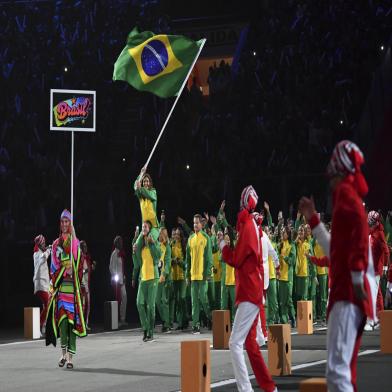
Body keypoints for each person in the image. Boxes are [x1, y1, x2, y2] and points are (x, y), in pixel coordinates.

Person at [299, 140, 376, 392]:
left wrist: (354, 276)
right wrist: (313, 221)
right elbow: (337, 249)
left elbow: (356, 237)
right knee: (342, 371)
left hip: (347, 293)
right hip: (348, 291)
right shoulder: (349, 197)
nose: (328, 179)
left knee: (337, 372)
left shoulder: (346, 199)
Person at [220, 186, 277, 392]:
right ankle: (270, 388)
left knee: (235, 344)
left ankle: (245, 390)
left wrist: (223, 247)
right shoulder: (252, 225)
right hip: (254, 290)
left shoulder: (247, 225)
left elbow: (236, 259)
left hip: (249, 292)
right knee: (251, 346)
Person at [45, 210, 86, 369]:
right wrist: (63, 269)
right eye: (62, 222)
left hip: (73, 290)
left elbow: (80, 263)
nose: (64, 224)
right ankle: (62, 355)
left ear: (70, 224)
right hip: (61, 290)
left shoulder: (76, 242)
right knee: (62, 324)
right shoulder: (56, 244)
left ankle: (70, 359)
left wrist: (73, 268)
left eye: (67, 222)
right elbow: (54, 266)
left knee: (72, 325)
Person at [132, 221, 161, 342]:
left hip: (153, 277)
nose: (144, 228)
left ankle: (151, 332)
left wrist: (153, 243)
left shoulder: (152, 242)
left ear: (149, 229)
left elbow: (158, 256)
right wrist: (134, 251)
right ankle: (145, 328)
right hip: (143, 278)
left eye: (146, 226)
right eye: (143, 226)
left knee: (150, 306)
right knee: (139, 303)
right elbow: (137, 263)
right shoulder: (141, 245)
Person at [185, 214, 213, 334]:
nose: (195, 225)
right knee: (194, 302)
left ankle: (209, 317)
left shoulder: (206, 238)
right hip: (193, 276)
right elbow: (188, 259)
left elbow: (209, 258)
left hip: (202, 276)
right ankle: (195, 325)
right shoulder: (190, 239)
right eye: (194, 223)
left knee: (203, 298)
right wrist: (187, 275)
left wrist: (207, 273)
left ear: (202, 224)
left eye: (197, 223)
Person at [364, 210, 390, 330]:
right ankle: (380, 319)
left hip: (375, 269)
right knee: (378, 294)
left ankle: (371, 321)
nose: (369, 223)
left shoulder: (379, 234)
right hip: (369, 268)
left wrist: (385, 267)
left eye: (371, 221)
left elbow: (386, 251)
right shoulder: (372, 231)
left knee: (372, 294)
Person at [134, 167, 159, 241]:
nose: (146, 183)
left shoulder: (153, 192)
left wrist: (140, 188)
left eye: (147, 181)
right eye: (144, 181)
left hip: (154, 227)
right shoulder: (140, 196)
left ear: (150, 183)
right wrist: (141, 174)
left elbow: (148, 194)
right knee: (136, 245)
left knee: (150, 240)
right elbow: (135, 186)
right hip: (145, 227)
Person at [170, 228, 188, 330]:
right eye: (175, 234)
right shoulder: (171, 245)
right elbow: (168, 258)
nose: (176, 236)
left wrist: (180, 262)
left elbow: (186, 263)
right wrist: (173, 260)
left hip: (182, 277)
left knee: (182, 298)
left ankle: (184, 320)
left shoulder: (184, 246)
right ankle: (181, 322)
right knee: (177, 300)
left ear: (181, 236)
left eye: (178, 234)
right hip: (174, 276)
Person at [33, 234, 51, 334]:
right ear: (40, 244)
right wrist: (48, 250)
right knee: (48, 305)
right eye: (43, 243)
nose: (44, 244)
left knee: (46, 306)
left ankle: (43, 327)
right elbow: (43, 258)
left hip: (44, 283)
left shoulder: (39, 252)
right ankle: (38, 326)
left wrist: (48, 248)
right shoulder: (37, 254)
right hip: (40, 283)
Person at [278, 226, 296, 325]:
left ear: (288, 234)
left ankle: (293, 317)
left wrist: (284, 258)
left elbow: (292, 261)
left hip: (288, 277)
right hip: (280, 276)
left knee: (288, 299)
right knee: (282, 300)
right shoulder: (280, 245)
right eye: (282, 232)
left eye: (284, 232)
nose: (282, 234)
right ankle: (284, 319)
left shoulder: (292, 246)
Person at [156, 227, 172, 333]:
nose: (161, 235)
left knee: (164, 300)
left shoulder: (167, 247)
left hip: (165, 277)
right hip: (157, 277)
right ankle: (164, 320)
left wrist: (164, 274)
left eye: (163, 234)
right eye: (160, 233)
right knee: (157, 301)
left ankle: (166, 324)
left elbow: (167, 262)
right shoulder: (156, 245)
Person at [109, 235, 127, 327]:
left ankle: (122, 319)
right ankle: (116, 321)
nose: (121, 243)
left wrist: (123, 277)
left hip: (122, 280)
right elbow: (111, 268)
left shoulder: (121, 253)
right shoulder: (114, 253)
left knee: (124, 298)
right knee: (118, 300)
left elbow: (122, 267)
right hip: (117, 281)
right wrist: (115, 277)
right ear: (116, 243)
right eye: (119, 242)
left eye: (121, 242)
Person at [80, 240, 95, 331]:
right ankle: (80, 325)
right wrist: (86, 270)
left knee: (87, 306)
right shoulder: (79, 257)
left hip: (87, 284)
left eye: (86, 246)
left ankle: (85, 324)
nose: (86, 248)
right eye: (84, 246)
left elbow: (87, 271)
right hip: (82, 285)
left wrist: (91, 268)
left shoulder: (87, 257)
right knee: (82, 305)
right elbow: (79, 271)